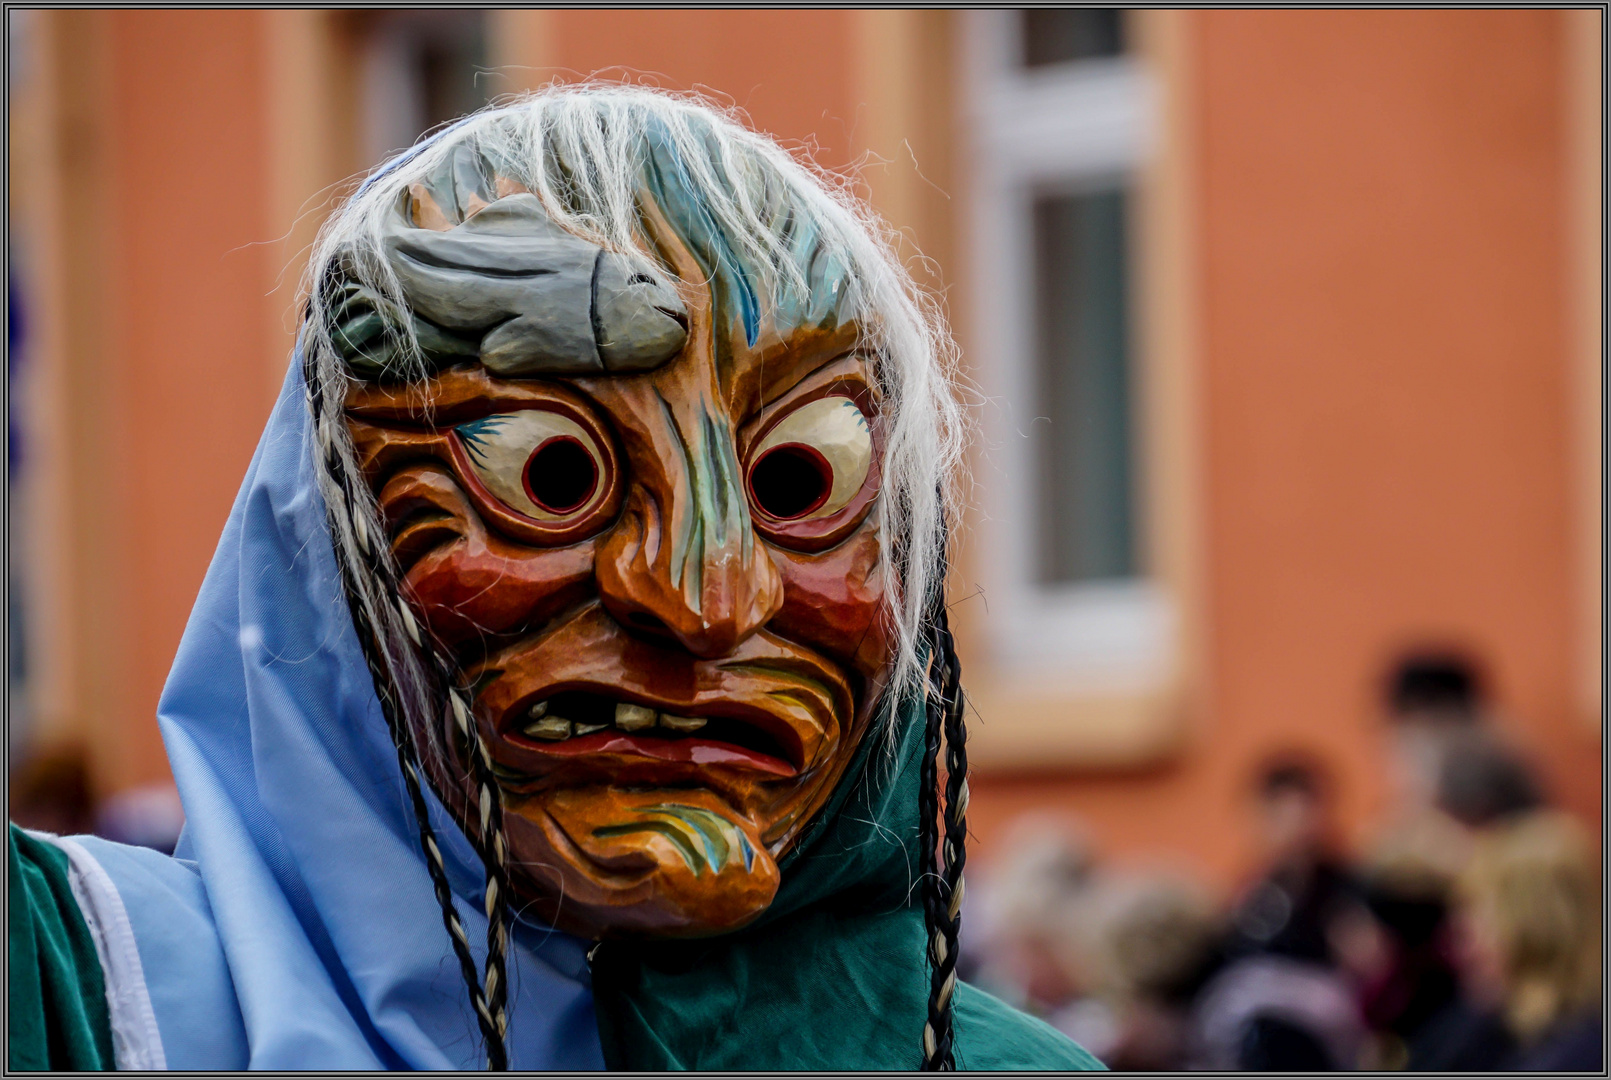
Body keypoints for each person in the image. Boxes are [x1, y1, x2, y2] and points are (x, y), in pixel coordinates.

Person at [7, 86, 1101, 1071]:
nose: (708, 599)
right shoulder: (89, 999)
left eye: (801, 482)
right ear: (330, 550)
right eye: (550, 471)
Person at [1408, 810, 1601, 1070]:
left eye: (1478, 914)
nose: (1464, 943)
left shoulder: (1574, 1054)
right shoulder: (1500, 1017)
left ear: (1536, 928)